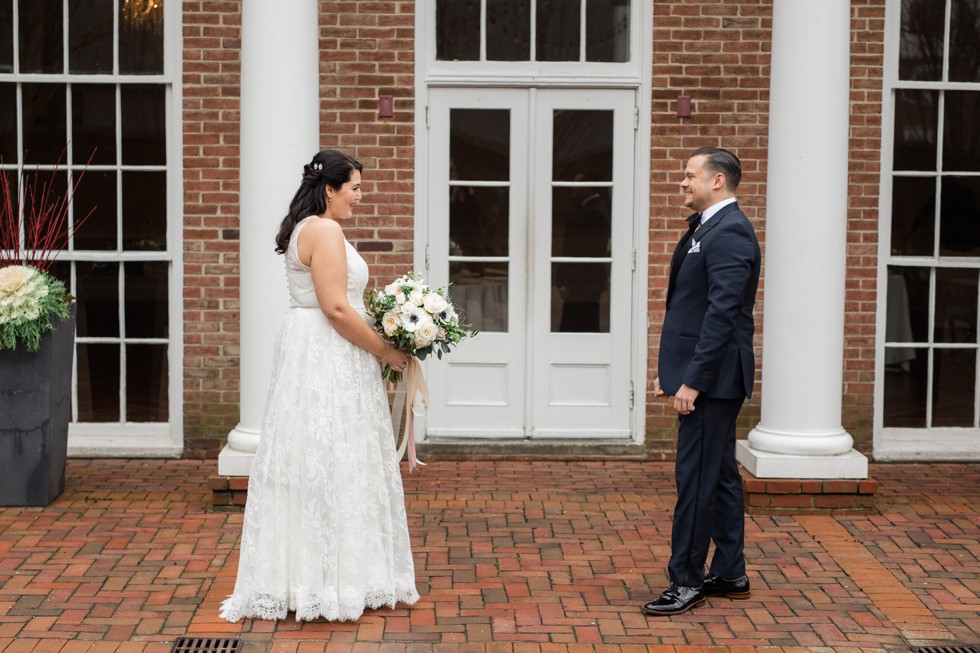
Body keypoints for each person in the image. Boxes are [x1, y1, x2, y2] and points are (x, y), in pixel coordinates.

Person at [220, 149, 420, 622]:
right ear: (329, 189)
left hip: (312, 349)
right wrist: (387, 351)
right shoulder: (326, 229)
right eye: (354, 188)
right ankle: (330, 581)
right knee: (334, 457)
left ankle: (315, 575)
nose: (359, 196)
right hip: (328, 352)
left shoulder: (307, 228)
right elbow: (335, 307)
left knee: (316, 459)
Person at [644, 147, 761, 616]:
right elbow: (690, 309)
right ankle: (730, 570)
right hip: (702, 376)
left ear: (717, 181)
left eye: (689, 175)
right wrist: (672, 375)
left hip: (712, 382)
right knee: (722, 477)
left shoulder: (730, 232)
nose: (682, 182)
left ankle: (687, 581)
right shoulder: (707, 228)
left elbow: (721, 315)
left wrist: (693, 381)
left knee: (695, 481)